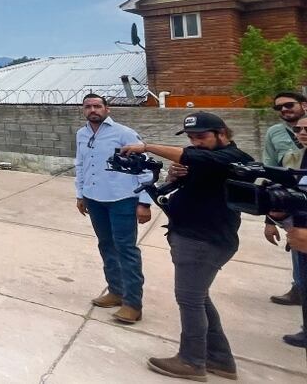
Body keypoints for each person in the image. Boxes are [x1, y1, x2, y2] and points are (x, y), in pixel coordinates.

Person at [119, 112, 253, 381]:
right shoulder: (205, 160)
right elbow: (185, 178)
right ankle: (220, 360)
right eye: (191, 138)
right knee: (199, 298)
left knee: (190, 301)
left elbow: (200, 159)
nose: (196, 142)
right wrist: (173, 176)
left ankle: (191, 361)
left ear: (222, 134)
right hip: (190, 236)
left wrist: (146, 146)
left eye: (201, 137)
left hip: (204, 241)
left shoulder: (236, 159)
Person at [73, 93, 152, 324]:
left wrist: (144, 202)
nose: (92, 110)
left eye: (97, 106)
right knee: (106, 245)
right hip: (94, 199)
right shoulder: (82, 134)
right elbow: (81, 164)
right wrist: (80, 194)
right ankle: (116, 291)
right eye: (88, 107)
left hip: (122, 199)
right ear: (83, 110)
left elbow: (144, 168)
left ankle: (133, 304)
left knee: (125, 249)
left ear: (107, 109)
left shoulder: (123, 133)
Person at [263, 112, 307, 349]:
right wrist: (275, 216)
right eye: (298, 130)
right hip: (298, 229)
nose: (301, 134)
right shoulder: (299, 158)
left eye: (306, 130)